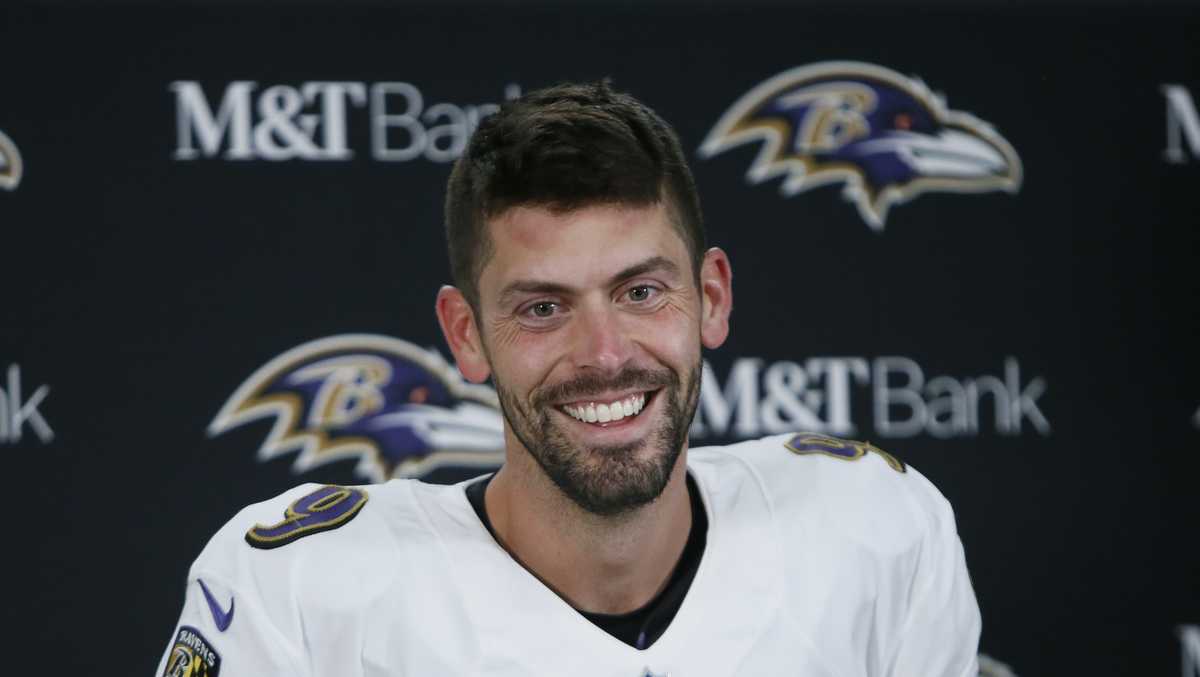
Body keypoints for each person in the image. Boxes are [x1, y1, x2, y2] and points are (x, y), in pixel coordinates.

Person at [157, 80, 981, 677]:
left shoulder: (876, 531)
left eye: (641, 291)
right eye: (544, 308)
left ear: (713, 298)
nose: (605, 352)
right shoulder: (296, 588)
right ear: (466, 335)